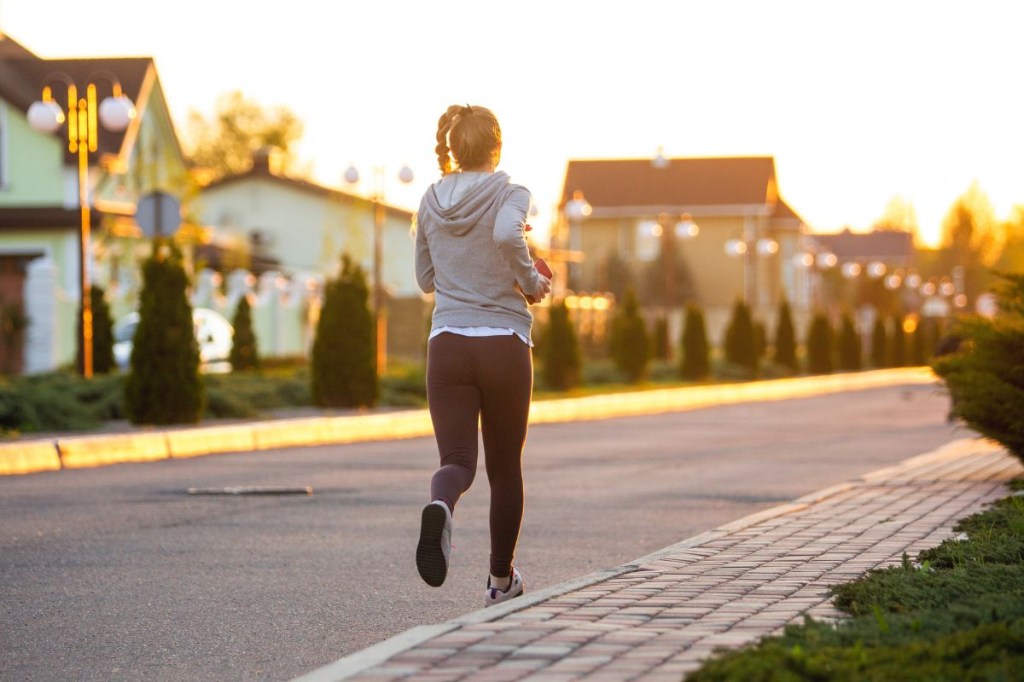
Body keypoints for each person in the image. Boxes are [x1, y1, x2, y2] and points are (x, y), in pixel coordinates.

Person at [412, 104, 551, 606]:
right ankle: (499, 582)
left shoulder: (429, 198)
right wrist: (531, 280)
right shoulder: (511, 192)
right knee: (505, 468)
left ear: (452, 149)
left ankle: (441, 504)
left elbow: (426, 280)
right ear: (497, 146)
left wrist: (457, 267)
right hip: (503, 344)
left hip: (447, 344)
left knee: (456, 461)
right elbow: (505, 234)